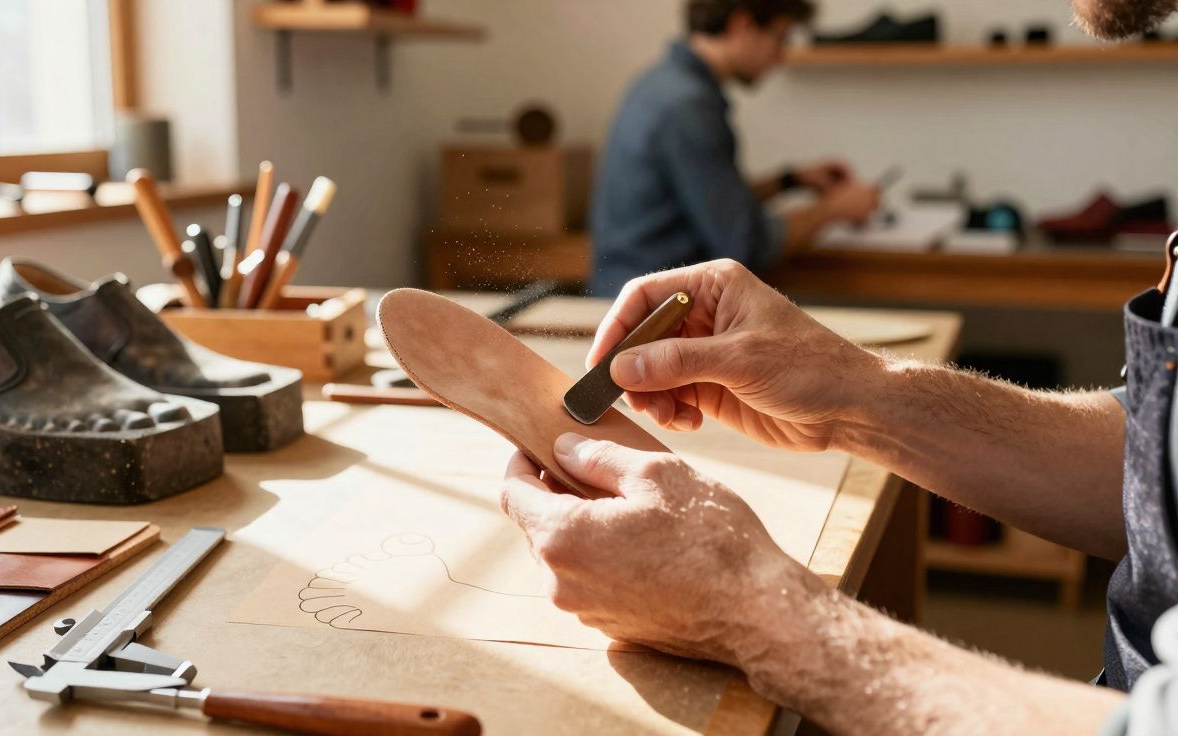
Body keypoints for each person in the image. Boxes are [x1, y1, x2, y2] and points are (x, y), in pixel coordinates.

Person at [502, 4, 1178, 732]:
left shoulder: (660, 87)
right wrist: (853, 396)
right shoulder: (690, 102)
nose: (786, 53)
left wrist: (754, 612)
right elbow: (1153, 464)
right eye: (781, 32)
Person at [587, 0, 881, 297]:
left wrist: (788, 181)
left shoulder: (662, 84)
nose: (780, 57)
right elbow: (745, 247)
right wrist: (835, 208)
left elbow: (702, 202)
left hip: (626, 296)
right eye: (779, 38)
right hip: (653, 315)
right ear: (742, 25)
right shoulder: (689, 107)